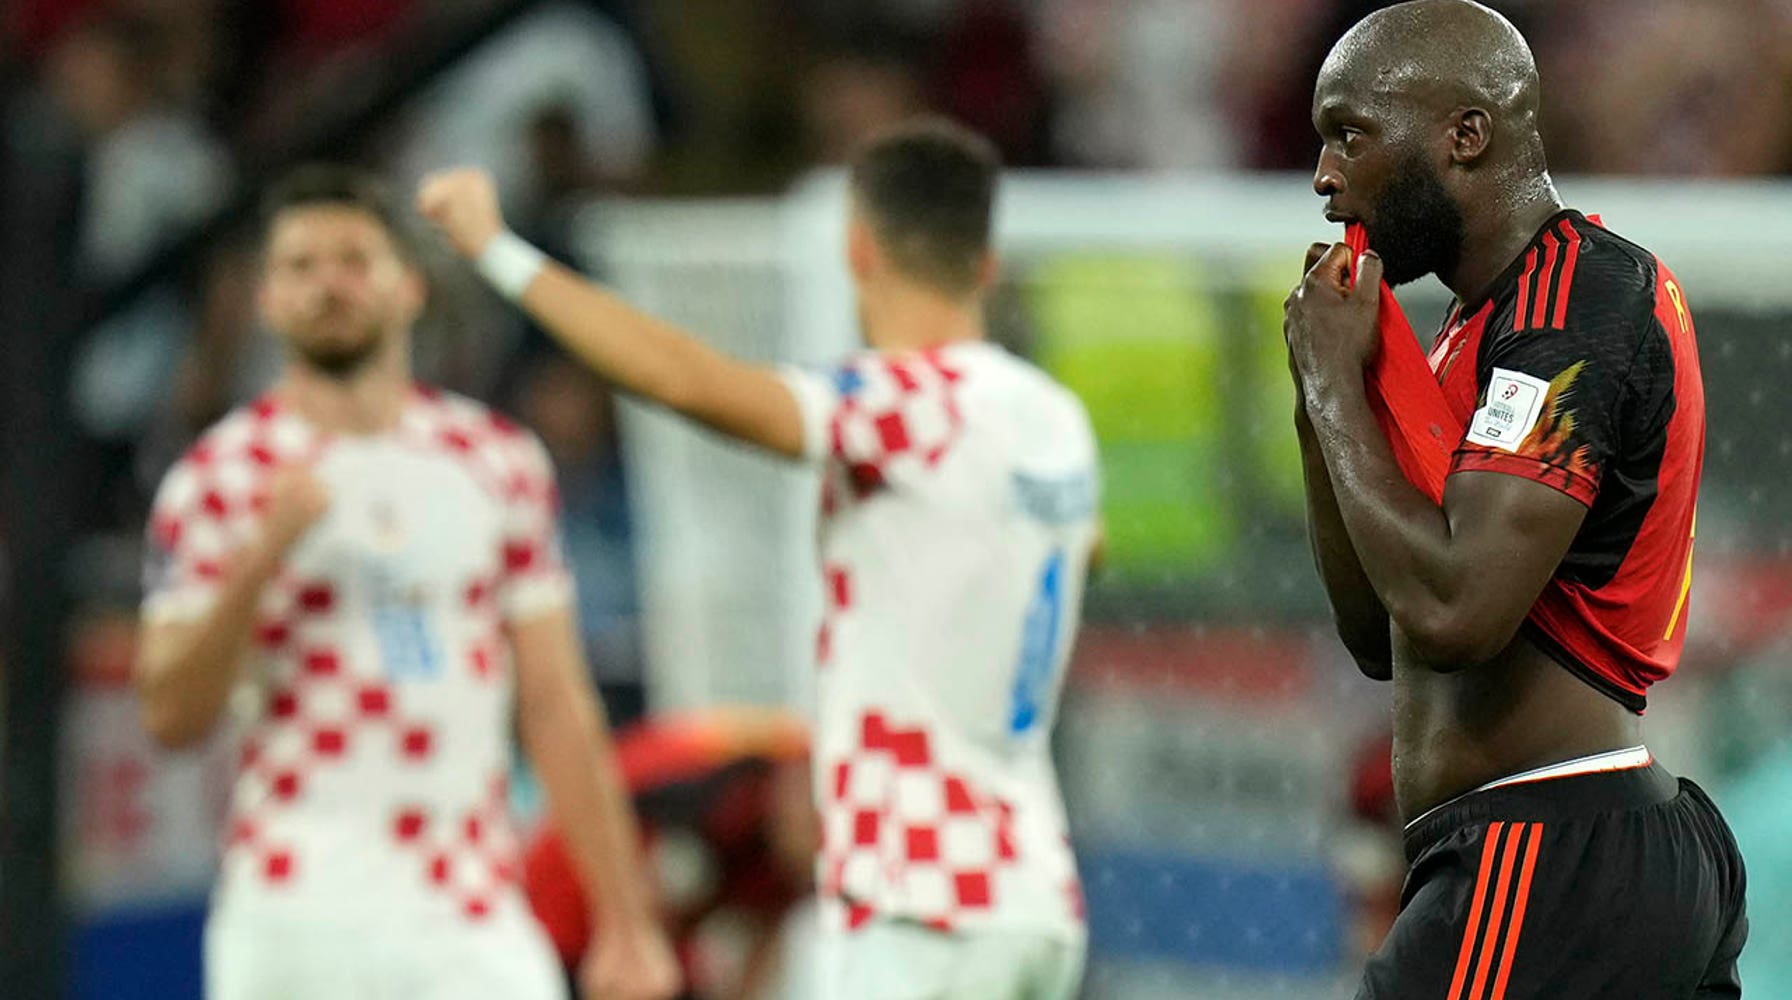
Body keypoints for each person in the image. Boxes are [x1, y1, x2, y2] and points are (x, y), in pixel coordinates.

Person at [418, 118, 1097, 999]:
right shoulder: (1054, 421)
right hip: (1037, 903)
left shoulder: (902, 404)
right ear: (986, 264)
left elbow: (688, 382)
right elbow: (1088, 551)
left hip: (921, 907)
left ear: (858, 251)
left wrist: (495, 248)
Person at [1282, 2, 1746, 996]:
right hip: (1556, 853)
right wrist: (1321, 407)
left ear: (1465, 133)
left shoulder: (1577, 302)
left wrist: (1331, 384)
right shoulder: (1475, 330)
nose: (1325, 179)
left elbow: (1456, 612)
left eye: (1349, 135)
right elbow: (1384, 632)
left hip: (1548, 848)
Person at [134, 165, 681, 1000]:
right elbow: (171, 714)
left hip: (465, 901)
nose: (329, 286)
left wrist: (626, 918)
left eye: (354, 260)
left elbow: (554, 702)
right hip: (294, 904)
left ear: (411, 287)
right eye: (301, 267)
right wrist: (263, 555)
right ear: (268, 299)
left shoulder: (494, 461)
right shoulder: (219, 477)